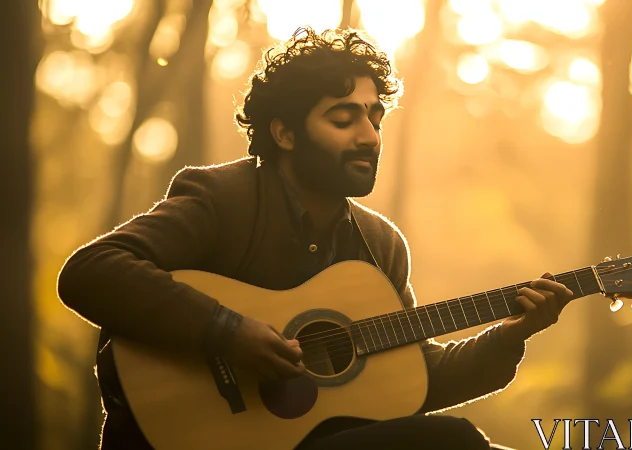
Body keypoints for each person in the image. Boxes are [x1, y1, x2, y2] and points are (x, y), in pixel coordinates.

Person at [58, 27, 573, 450]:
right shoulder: (222, 199)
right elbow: (91, 271)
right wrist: (226, 331)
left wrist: (508, 337)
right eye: (343, 118)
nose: (369, 136)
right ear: (284, 134)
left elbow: (414, 379)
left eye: (375, 117)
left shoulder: (379, 245)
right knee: (457, 443)